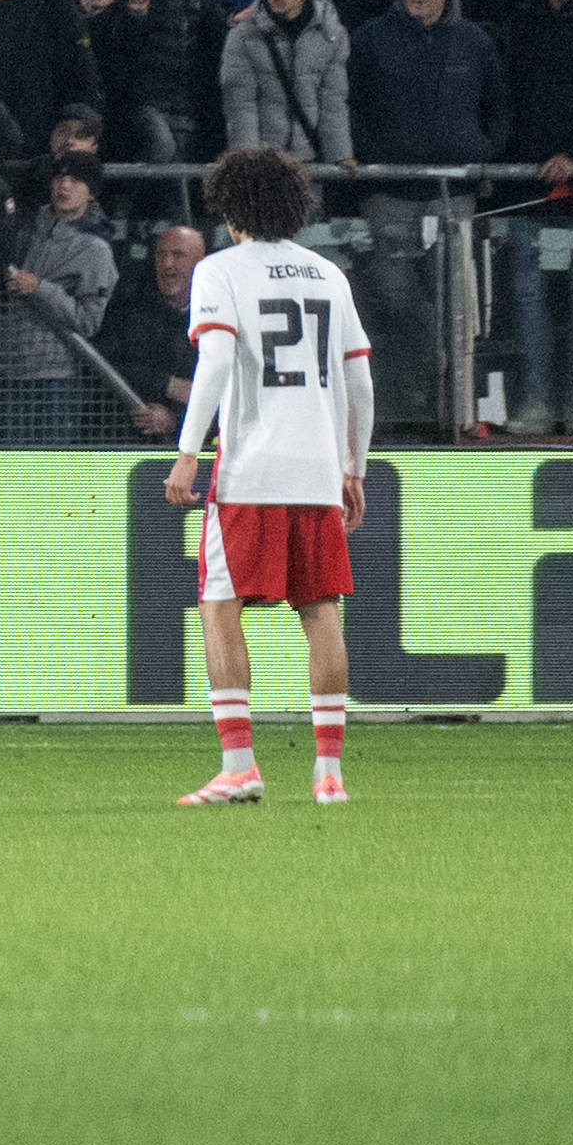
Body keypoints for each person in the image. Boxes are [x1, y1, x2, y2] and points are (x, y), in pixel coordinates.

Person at [167, 144, 372, 807]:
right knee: (320, 609)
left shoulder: (219, 270)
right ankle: (328, 772)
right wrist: (353, 467)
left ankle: (239, 766)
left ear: (230, 211)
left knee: (219, 604)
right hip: (318, 468)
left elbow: (215, 362)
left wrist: (187, 451)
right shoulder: (328, 274)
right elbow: (360, 381)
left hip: (250, 467)